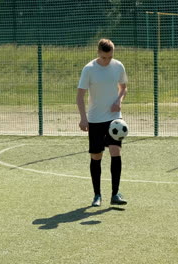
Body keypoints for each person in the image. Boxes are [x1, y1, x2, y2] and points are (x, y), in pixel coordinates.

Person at [76, 39, 128, 207]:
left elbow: (123, 87)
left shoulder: (118, 66)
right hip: (95, 119)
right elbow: (80, 96)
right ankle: (97, 195)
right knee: (96, 156)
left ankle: (115, 194)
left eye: (110, 57)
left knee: (115, 152)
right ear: (98, 53)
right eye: (104, 57)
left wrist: (119, 100)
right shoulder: (89, 69)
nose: (107, 61)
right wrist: (83, 118)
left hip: (114, 119)